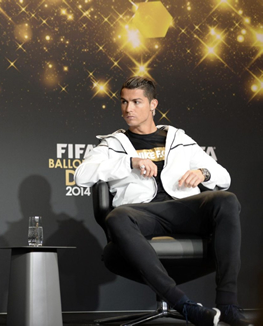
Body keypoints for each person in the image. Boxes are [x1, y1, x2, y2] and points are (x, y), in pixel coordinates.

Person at [74, 76, 252, 326]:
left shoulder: (179, 138)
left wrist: (203, 173)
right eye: (124, 102)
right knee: (117, 215)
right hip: (142, 214)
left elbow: (224, 177)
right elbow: (81, 175)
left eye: (137, 102)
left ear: (153, 104)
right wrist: (130, 162)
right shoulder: (112, 144)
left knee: (226, 200)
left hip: (181, 210)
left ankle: (228, 304)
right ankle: (185, 306)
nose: (128, 109)